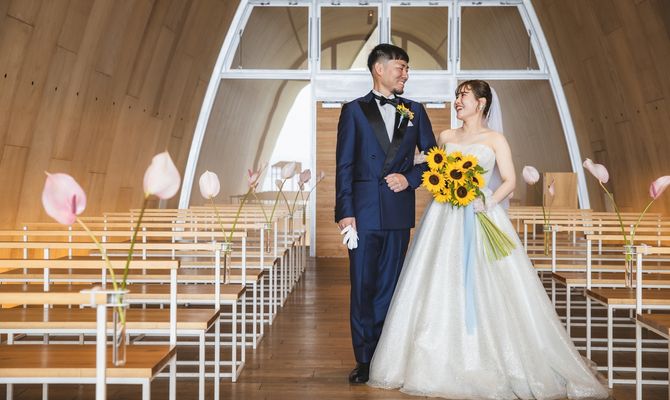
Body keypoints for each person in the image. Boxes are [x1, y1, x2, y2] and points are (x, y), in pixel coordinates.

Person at [367, 80, 609, 399]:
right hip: (444, 214)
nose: (457, 100)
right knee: (438, 278)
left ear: (481, 103)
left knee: (490, 282)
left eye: (463, 96)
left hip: (480, 211)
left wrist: (489, 201)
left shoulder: (495, 139)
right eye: (456, 95)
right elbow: (433, 165)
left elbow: (509, 180)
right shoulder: (446, 137)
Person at [335, 44, 438, 384]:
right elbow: (344, 165)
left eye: (407, 68)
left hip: (397, 212)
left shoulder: (415, 111)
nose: (406, 73)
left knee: (390, 288)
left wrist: (409, 178)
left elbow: (435, 159)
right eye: (401, 67)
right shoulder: (353, 110)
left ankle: (385, 356)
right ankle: (364, 360)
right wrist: (345, 212)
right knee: (362, 287)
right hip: (362, 214)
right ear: (379, 69)